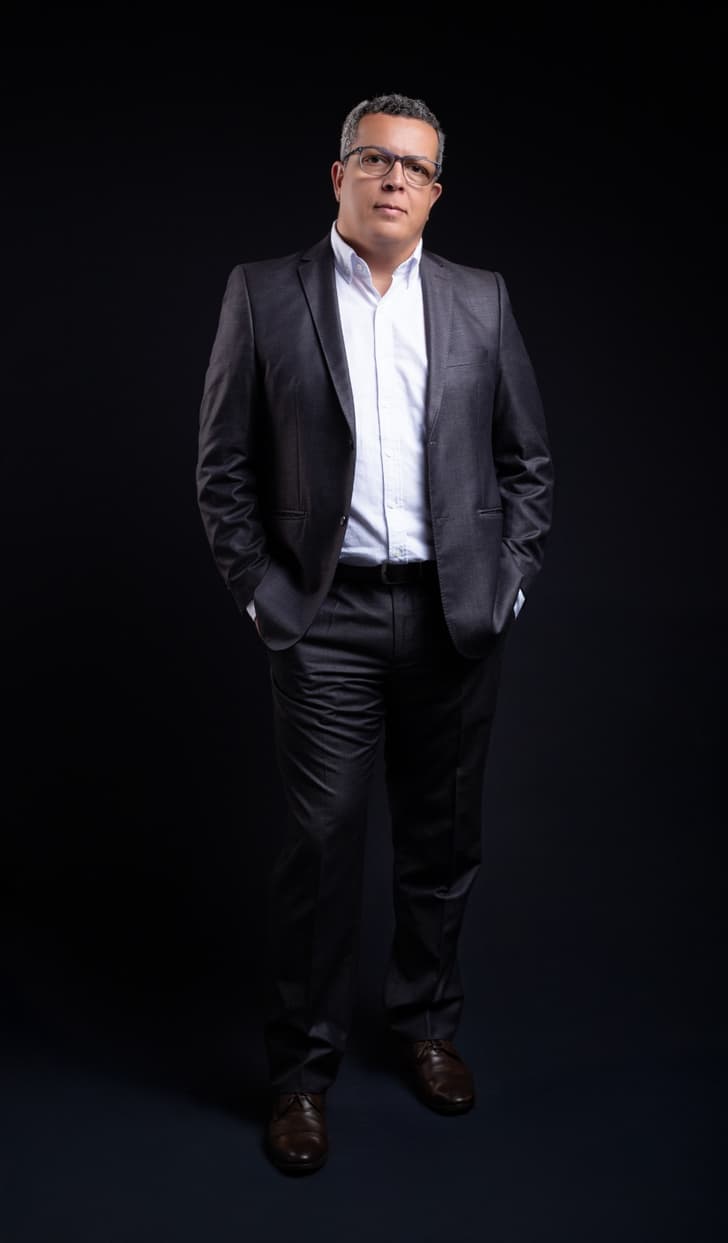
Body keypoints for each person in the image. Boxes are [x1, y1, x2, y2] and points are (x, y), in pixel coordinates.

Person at [196, 92, 554, 1176]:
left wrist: (508, 585)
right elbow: (223, 468)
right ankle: (302, 1076)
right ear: (340, 175)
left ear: (435, 192)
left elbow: (528, 463)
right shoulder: (264, 294)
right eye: (374, 158)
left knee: (442, 843)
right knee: (321, 846)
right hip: (326, 618)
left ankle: (427, 1025)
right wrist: (266, 596)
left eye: (415, 167)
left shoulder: (482, 300)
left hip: (454, 616)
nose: (395, 178)